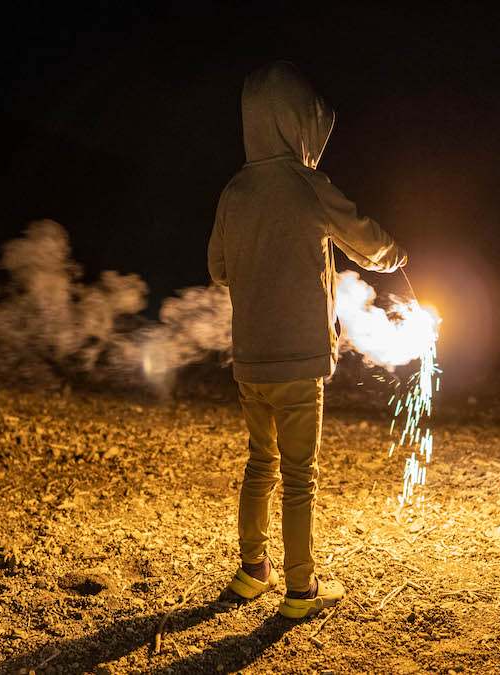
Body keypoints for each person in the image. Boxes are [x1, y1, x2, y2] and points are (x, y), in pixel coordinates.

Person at [207, 61, 407, 619]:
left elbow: (219, 268)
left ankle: (253, 572)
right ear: (298, 124)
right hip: (299, 364)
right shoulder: (307, 185)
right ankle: (300, 590)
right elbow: (365, 238)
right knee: (299, 478)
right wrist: (397, 256)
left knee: (258, 464)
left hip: (250, 363)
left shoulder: (234, 191)